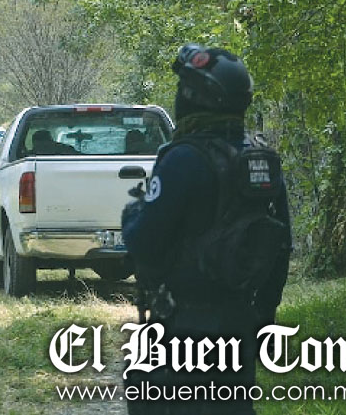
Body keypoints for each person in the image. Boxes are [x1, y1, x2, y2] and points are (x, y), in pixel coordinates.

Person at [121, 44, 292, 415]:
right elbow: (283, 246)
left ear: (193, 97)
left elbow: (143, 241)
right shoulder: (261, 159)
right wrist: (264, 314)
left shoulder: (183, 158)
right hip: (240, 320)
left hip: (183, 323)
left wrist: (132, 214)